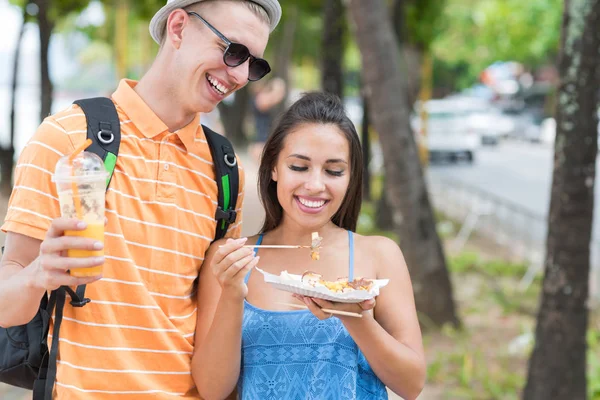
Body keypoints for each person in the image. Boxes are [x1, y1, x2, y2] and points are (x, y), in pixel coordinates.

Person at [0, 0, 281, 398]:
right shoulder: (67, 138)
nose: (239, 75)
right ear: (179, 27)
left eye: (253, 64)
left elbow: (212, 358)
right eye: (233, 51)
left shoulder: (225, 171)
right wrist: (37, 275)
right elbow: (6, 305)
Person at [193, 92, 426, 400]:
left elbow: (412, 385)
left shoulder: (380, 255)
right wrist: (233, 294)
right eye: (299, 167)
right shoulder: (230, 259)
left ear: (351, 177)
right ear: (273, 167)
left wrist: (354, 317)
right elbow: (211, 390)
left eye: (334, 171)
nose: (316, 185)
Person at [249, 76, 286, 161]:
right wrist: (277, 88)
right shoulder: (259, 98)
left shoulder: (261, 97)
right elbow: (275, 98)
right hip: (261, 139)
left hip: (264, 138)